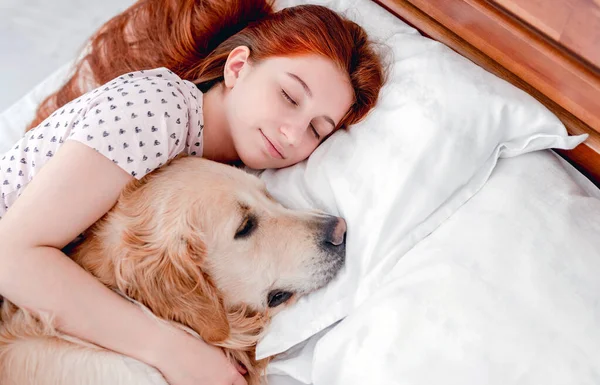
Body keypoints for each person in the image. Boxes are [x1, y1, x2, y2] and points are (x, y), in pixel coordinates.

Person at [0, 0, 384, 384]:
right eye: (289, 96)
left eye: (318, 129)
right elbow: (10, 255)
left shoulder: (215, 160)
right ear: (237, 67)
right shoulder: (154, 111)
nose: (293, 133)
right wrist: (172, 350)